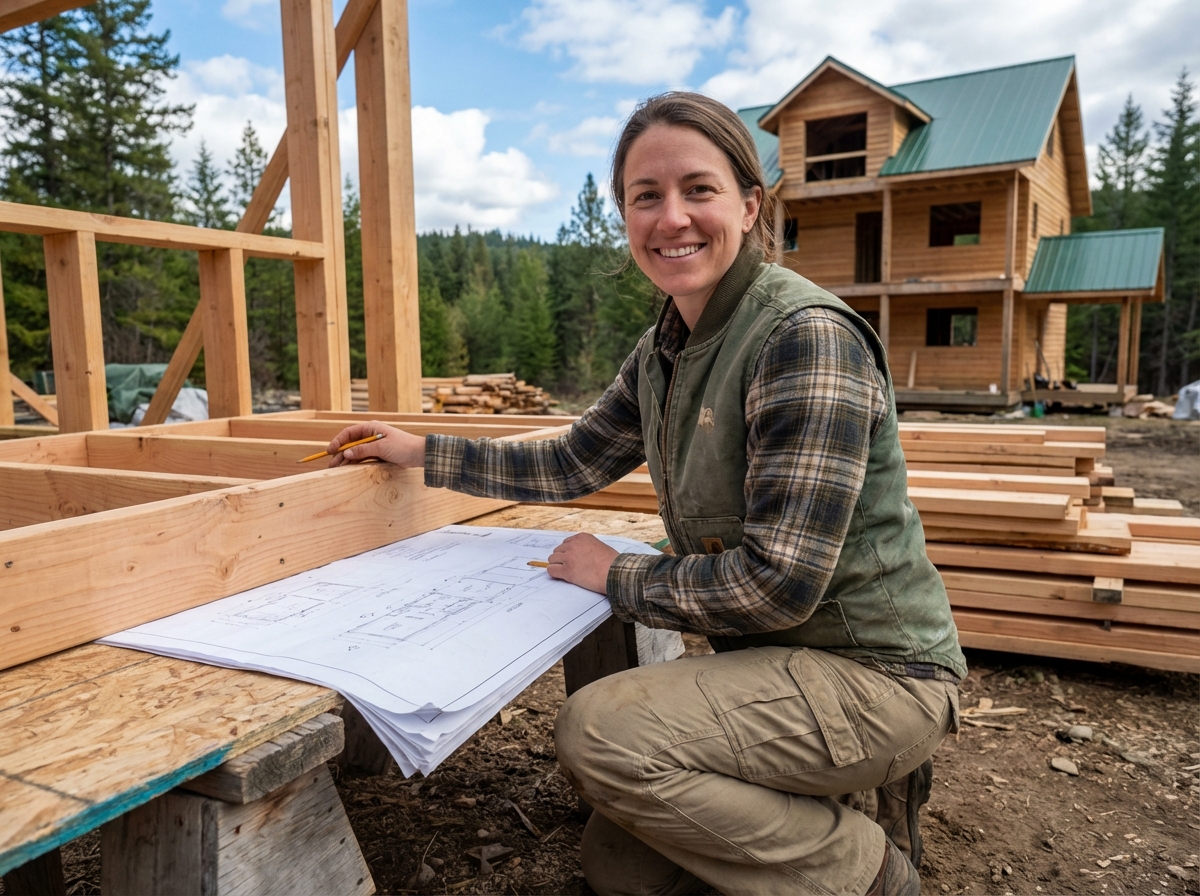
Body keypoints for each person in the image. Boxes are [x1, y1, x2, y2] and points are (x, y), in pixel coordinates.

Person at [327, 92, 966, 896]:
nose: (673, 218)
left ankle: (871, 874)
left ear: (748, 203)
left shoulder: (803, 338)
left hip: (875, 674)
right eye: (646, 196)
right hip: (783, 662)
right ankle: (819, 800)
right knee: (620, 867)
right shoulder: (668, 346)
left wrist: (613, 573)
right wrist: (420, 451)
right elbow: (569, 464)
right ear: (625, 217)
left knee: (598, 734)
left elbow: (779, 585)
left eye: (698, 189)